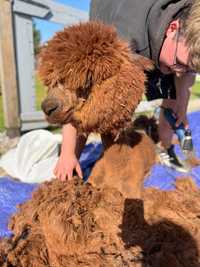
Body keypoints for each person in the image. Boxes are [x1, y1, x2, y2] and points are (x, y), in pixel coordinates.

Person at [54, 0, 200, 180]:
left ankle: (165, 147)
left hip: (161, 42)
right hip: (120, 25)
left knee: (176, 85)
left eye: (189, 68)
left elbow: (184, 72)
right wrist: (68, 153)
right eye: (181, 63)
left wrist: (181, 108)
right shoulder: (122, 40)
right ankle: (71, 168)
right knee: (103, 108)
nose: (180, 72)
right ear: (173, 28)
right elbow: (77, 94)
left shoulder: (189, 27)